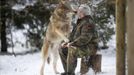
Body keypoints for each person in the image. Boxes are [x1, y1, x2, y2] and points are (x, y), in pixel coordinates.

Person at [59, 4, 98, 75]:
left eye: (79, 11)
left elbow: (85, 38)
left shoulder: (88, 22)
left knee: (72, 49)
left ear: (83, 13)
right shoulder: (80, 21)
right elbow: (73, 35)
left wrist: (72, 43)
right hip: (81, 45)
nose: (77, 13)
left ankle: (70, 73)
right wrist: (67, 42)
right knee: (62, 49)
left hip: (90, 47)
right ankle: (67, 71)